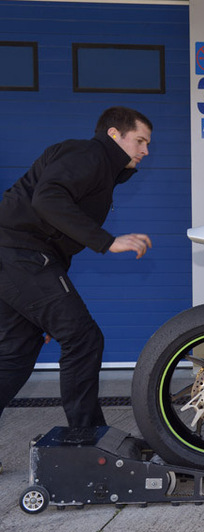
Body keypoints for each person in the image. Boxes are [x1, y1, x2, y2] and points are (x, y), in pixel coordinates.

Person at [0, 107, 153, 468]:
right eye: (141, 141)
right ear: (114, 134)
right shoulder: (88, 154)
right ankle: (88, 442)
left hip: (21, 260)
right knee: (83, 338)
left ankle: (89, 438)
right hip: (20, 255)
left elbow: (56, 231)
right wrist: (106, 241)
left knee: (15, 355)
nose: (146, 150)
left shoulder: (100, 168)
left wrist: (46, 305)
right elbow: (47, 199)